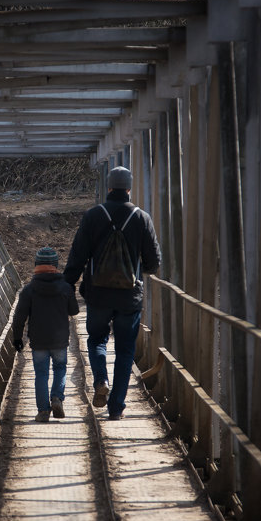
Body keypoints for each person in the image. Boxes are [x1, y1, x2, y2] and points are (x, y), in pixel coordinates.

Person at [63, 166, 161, 420]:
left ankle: (100, 380)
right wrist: (140, 270)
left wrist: (68, 283)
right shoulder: (142, 217)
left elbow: (78, 255)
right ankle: (116, 407)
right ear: (129, 188)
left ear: (109, 187)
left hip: (98, 295)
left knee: (96, 340)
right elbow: (153, 262)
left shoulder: (94, 215)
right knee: (126, 350)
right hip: (130, 296)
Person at [11, 246, 80, 422]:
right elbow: (75, 310)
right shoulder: (65, 287)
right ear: (56, 265)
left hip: (38, 340)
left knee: (41, 374)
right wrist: (69, 293)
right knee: (60, 369)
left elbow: (19, 317)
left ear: (36, 265)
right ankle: (57, 397)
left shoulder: (29, 289)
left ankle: (43, 411)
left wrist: (17, 338)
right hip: (59, 340)